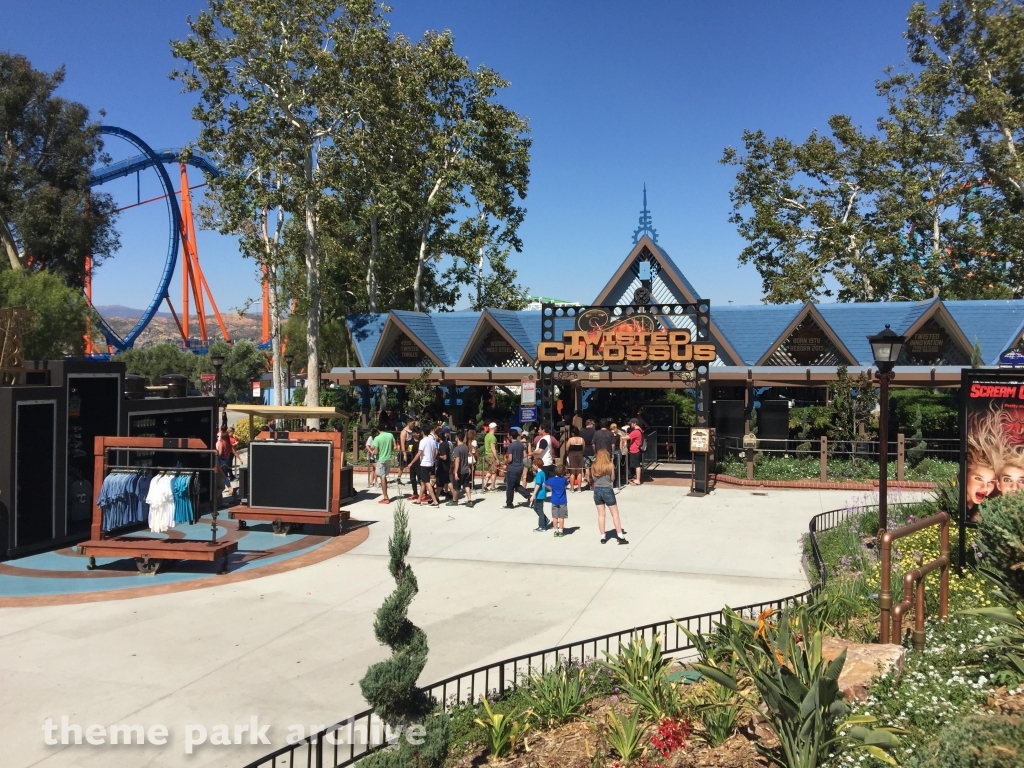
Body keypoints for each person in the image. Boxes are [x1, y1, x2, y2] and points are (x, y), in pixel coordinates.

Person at [592, 449, 627, 544]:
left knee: (601, 514)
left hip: (597, 490)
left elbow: (592, 478)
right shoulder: (610, 465)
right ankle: (620, 535)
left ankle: (603, 536)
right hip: (607, 489)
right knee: (615, 514)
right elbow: (612, 478)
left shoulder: (594, 465)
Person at [406, 427, 439, 506]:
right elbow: (435, 451)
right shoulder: (432, 440)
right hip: (430, 463)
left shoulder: (423, 441)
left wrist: (411, 463)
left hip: (424, 463)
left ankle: (435, 501)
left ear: (422, 432)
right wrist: (433, 459)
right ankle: (418, 500)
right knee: (423, 483)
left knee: (426, 482)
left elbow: (419, 453)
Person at [504, 427, 531, 509]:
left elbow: (510, 458)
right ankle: (529, 496)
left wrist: (505, 462)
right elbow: (525, 455)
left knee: (510, 486)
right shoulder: (521, 444)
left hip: (513, 468)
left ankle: (509, 503)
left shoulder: (511, 446)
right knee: (517, 485)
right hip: (520, 467)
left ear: (511, 436)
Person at [545, 464, 571, 537]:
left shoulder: (551, 480)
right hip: (562, 500)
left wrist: (551, 488)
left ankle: (556, 530)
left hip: (554, 500)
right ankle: (561, 530)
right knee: (561, 517)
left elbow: (545, 484)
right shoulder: (563, 480)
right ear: (563, 472)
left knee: (555, 517)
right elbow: (566, 485)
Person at [372, 426, 396, 504]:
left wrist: (372, 453)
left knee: (382, 477)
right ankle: (386, 497)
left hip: (381, 459)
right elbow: (394, 446)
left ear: (378, 430)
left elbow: (376, 452)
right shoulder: (390, 435)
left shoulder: (377, 438)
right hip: (388, 458)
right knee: (384, 476)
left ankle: (386, 498)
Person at [451, 430, 475, 507]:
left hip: (460, 471)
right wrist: (468, 467)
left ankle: (454, 500)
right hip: (466, 470)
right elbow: (467, 458)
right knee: (466, 485)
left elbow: (457, 461)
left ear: (457, 438)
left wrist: (455, 472)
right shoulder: (466, 447)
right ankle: (469, 500)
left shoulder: (457, 449)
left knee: (456, 487)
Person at [528, 458, 550, 532]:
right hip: (541, 494)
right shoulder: (542, 473)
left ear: (536, 465)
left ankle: (542, 526)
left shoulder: (539, 474)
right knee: (536, 508)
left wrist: (533, 495)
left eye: (533, 464)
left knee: (539, 510)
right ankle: (545, 519)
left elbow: (538, 485)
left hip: (539, 495)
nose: (533, 466)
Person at [436, 426, 453, 502]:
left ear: (439, 437)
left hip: (442, 466)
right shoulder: (446, 444)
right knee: (447, 481)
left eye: (436, 436)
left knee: (440, 482)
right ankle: (454, 495)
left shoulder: (442, 445)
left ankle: (436, 497)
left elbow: (445, 457)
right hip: (446, 465)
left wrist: (438, 456)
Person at [565, 426, 585, 491]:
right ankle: (579, 488)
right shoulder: (582, 439)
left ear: (572, 433)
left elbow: (567, 448)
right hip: (580, 455)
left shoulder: (570, 439)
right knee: (579, 472)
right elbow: (583, 448)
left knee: (572, 472)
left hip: (572, 455)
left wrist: (568, 453)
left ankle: (572, 488)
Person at [579, 418, 596, 489]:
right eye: (593, 424)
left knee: (587, 468)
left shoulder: (581, 431)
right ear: (590, 424)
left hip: (585, 451)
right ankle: (594, 483)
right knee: (594, 467)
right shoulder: (594, 431)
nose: (594, 425)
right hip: (592, 451)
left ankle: (589, 483)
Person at [482, 422, 499, 492]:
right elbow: (493, 448)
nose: (497, 428)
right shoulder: (492, 437)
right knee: (494, 472)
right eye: (496, 427)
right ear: (494, 428)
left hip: (487, 455)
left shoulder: (487, 436)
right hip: (491, 456)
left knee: (490, 471)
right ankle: (492, 487)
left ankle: (485, 485)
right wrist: (497, 458)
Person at [466, 426, 478, 492]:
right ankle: (472, 484)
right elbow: (476, 451)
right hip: (473, 456)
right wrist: (478, 458)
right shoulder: (474, 441)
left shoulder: (468, 442)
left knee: (469, 470)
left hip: (468, 456)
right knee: (473, 470)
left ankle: (468, 483)